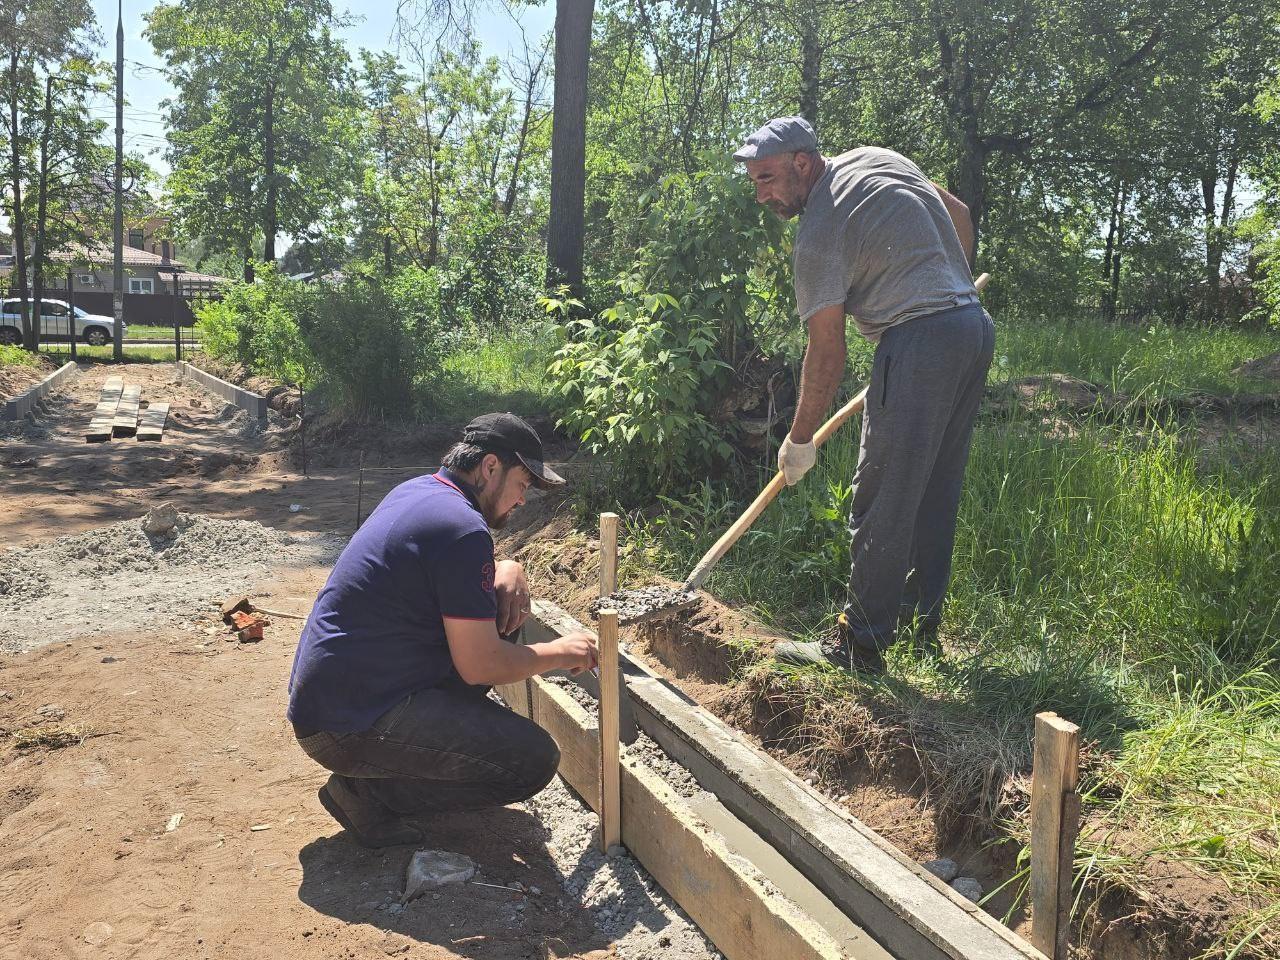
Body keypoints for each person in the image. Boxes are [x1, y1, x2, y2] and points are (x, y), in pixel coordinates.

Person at [735, 117, 995, 672]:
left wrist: (798, 439)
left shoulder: (819, 233)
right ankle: (919, 630)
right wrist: (948, 281)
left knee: (883, 492)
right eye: (755, 182)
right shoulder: (875, 158)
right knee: (931, 489)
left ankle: (861, 644)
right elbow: (960, 215)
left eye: (769, 179)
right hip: (971, 328)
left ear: (803, 164)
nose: (762, 195)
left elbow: (827, 354)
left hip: (920, 339)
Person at [287, 412, 599, 847]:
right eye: (522, 484)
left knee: (498, 613)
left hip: (337, 698)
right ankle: (366, 794)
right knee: (532, 760)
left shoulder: (420, 492)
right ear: (490, 467)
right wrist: (564, 652)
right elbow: (480, 665)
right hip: (345, 726)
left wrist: (507, 567)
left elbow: (452, 580)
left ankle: (396, 760)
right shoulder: (461, 530)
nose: (523, 500)